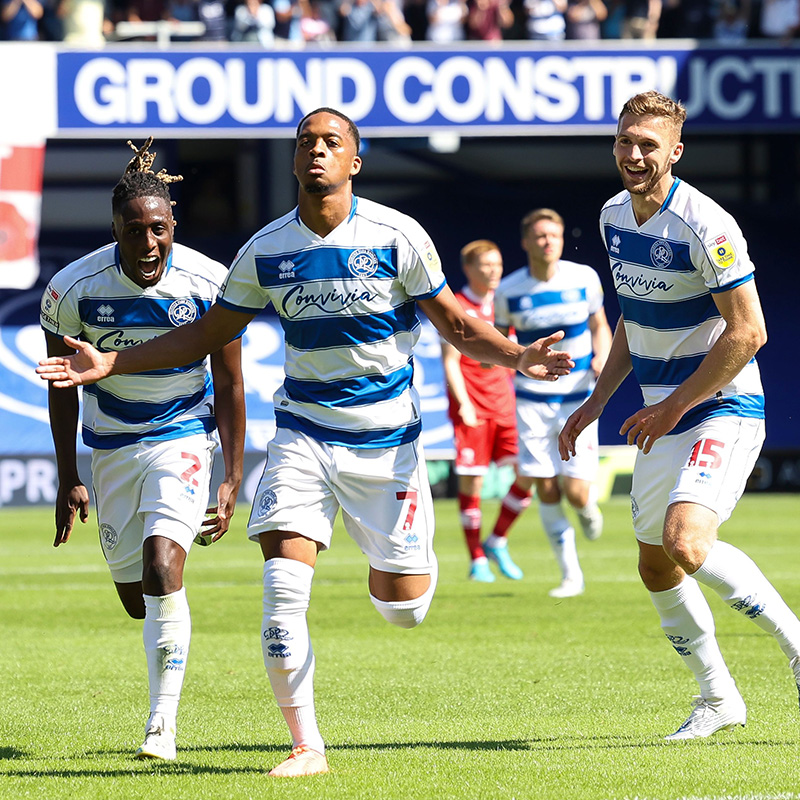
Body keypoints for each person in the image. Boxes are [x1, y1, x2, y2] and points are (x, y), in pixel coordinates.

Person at [37, 107, 574, 777]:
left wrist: (518, 357)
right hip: (302, 437)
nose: (317, 151)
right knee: (281, 588)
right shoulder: (266, 250)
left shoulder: (399, 236)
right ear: (294, 161)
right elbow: (208, 337)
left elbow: (456, 326)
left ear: (354, 161)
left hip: (386, 444)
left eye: (331, 143)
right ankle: (306, 746)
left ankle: (414, 559)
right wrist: (115, 363)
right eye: (305, 143)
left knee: (403, 608)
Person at [559, 90, 800, 739]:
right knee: (655, 565)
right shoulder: (614, 215)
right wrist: (598, 400)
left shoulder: (705, 225)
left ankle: (797, 645)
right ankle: (719, 698)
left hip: (722, 405)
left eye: (648, 145)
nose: (634, 155)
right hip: (663, 412)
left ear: (675, 151)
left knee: (686, 542)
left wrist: (672, 405)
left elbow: (749, 333)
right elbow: (633, 321)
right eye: (625, 142)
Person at [38, 138, 245, 761]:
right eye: (136, 231)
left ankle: (161, 727)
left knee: (162, 568)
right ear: (115, 230)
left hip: (182, 437)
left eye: (159, 229)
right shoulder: (71, 289)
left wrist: (233, 475)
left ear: (174, 224)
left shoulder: (212, 281)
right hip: (111, 450)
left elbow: (232, 381)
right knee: (139, 599)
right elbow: (62, 387)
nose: (149, 243)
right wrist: (66, 474)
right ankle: (163, 617)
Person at [489, 208, 612, 597]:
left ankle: (588, 510)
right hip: (531, 402)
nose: (548, 242)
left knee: (576, 494)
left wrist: (602, 357)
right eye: (540, 236)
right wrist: (518, 362)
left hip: (578, 398)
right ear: (526, 243)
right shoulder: (509, 291)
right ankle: (570, 575)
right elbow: (500, 343)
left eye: (554, 236)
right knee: (545, 485)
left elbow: (600, 326)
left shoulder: (584, 278)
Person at [441, 240, 518, 583]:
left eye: (498, 264)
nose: (494, 271)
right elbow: (450, 362)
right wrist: (465, 404)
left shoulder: (505, 304)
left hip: (505, 405)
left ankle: (497, 539)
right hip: (473, 408)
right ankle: (476, 559)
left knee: (528, 474)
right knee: (472, 485)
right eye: (486, 265)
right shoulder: (457, 307)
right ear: (469, 269)